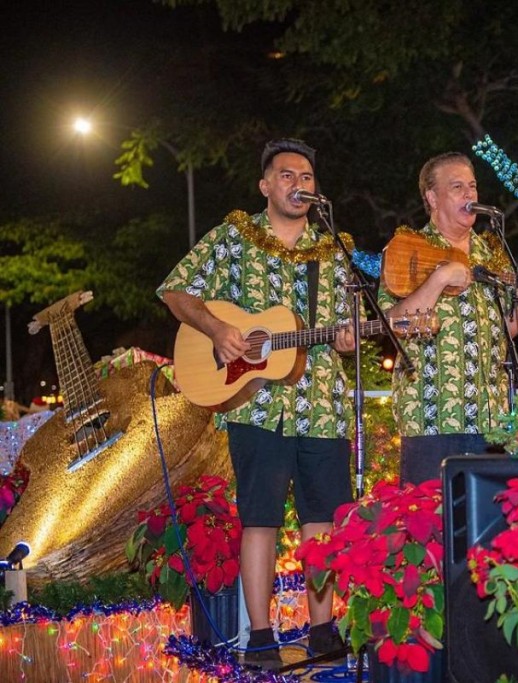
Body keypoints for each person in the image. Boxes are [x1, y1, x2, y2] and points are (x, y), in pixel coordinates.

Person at [158, 138, 354, 670]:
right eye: (288, 175)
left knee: (323, 521)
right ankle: (261, 637)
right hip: (255, 404)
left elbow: (348, 331)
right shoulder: (234, 238)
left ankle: (322, 629)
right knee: (260, 519)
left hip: (323, 404)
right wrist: (220, 329)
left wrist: (348, 339)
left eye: (308, 176)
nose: (300, 184)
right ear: (266, 186)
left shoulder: (333, 249)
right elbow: (177, 292)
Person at [378, 152, 518, 485]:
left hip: (490, 416)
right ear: (432, 198)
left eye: (472, 186)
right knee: (431, 525)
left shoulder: (493, 255)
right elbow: (392, 324)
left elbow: (502, 331)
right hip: (431, 415)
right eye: (457, 187)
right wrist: (438, 279)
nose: (470, 195)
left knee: (488, 526)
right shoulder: (407, 249)